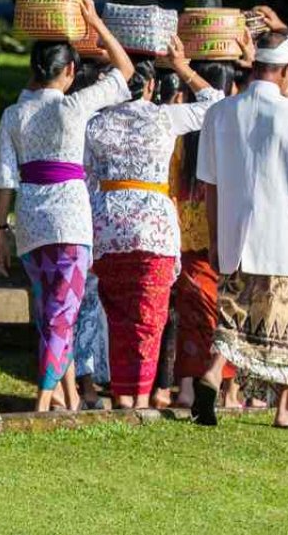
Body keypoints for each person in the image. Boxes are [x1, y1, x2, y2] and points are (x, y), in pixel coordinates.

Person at [0, 0, 134, 412]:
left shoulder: (15, 115)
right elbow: (125, 69)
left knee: (51, 313)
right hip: (70, 222)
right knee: (61, 313)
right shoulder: (74, 107)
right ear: (70, 70)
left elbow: (3, 177)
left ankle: (67, 396)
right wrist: (96, 23)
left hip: (32, 222)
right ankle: (42, 399)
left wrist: (1, 231)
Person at [192, 30, 288, 430]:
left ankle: (214, 373)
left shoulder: (220, 112)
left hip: (235, 234)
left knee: (233, 313)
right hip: (284, 237)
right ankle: (286, 408)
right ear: (286, 70)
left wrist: (216, 237)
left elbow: (210, 186)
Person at [85, 38, 221, 409]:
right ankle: (140, 397)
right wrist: (183, 67)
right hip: (153, 230)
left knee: (117, 314)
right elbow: (216, 105)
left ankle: (123, 397)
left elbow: (89, 179)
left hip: (109, 228)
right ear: (149, 86)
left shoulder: (96, 123)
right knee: (150, 316)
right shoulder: (164, 117)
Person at [172, 58, 244, 408]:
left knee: (190, 316)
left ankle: (186, 387)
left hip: (184, 235)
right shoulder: (229, 126)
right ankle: (228, 389)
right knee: (224, 313)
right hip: (222, 235)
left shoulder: (181, 129)